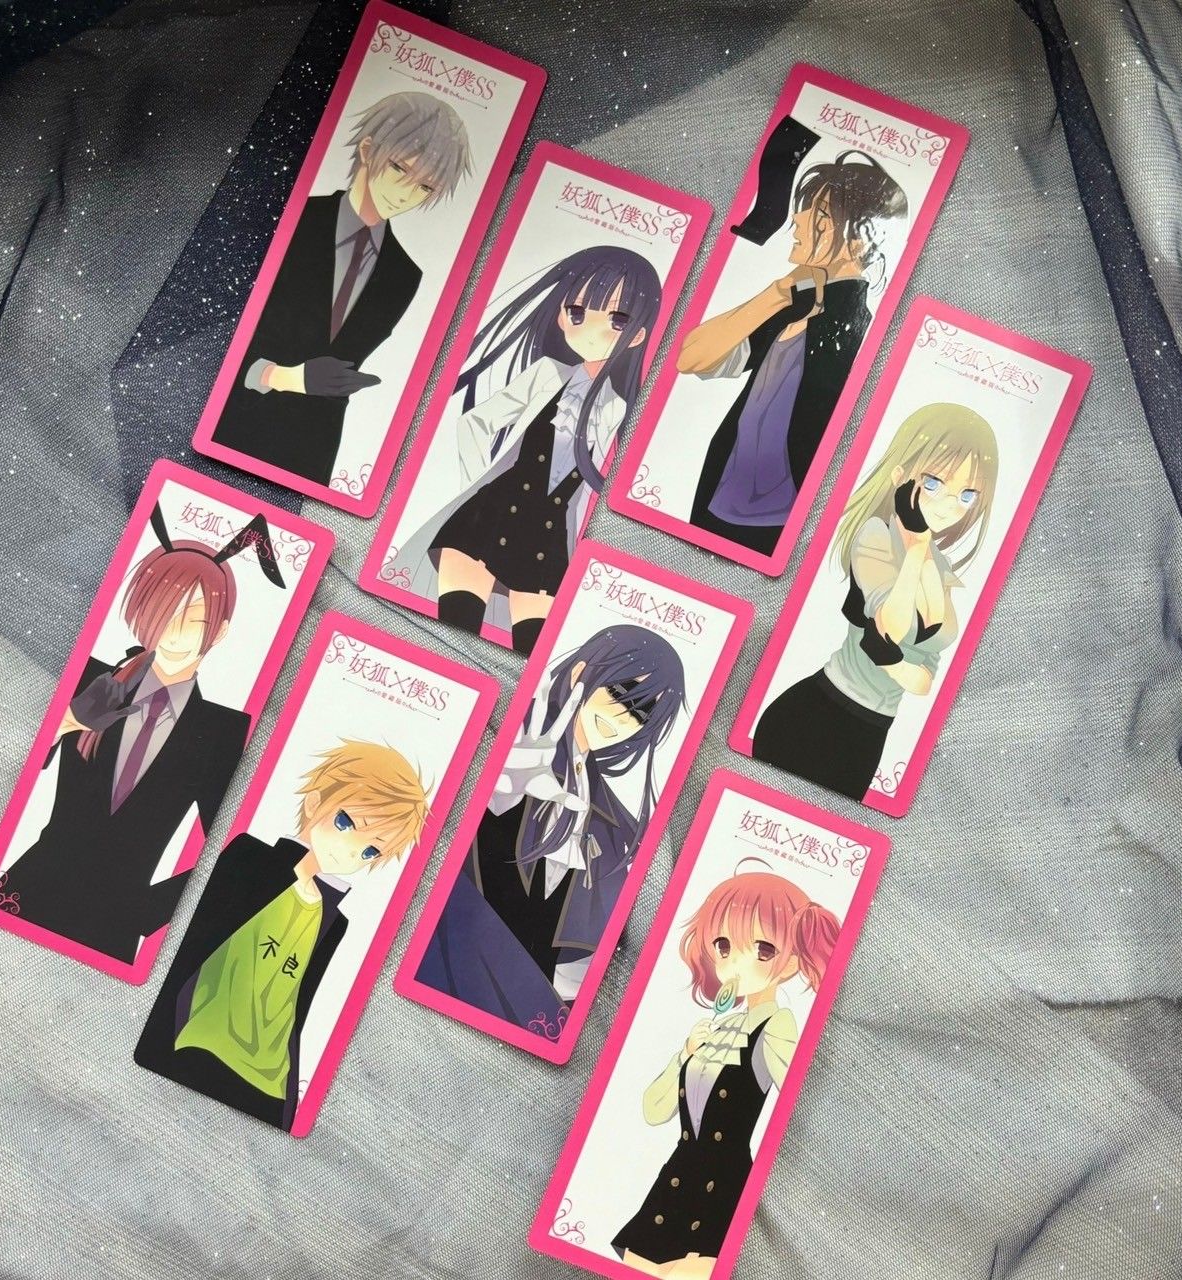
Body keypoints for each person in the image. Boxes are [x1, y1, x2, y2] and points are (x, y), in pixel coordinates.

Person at [0, 507, 282, 962]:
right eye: (164, 614)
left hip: (112, 929)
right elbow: (17, 754)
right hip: (27, 889)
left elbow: (232, 851)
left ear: (220, 630)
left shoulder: (222, 731)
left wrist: (149, 911)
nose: (173, 634)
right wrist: (67, 723)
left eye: (192, 618)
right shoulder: (94, 678)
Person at [135, 740, 429, 1130]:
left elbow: (298, 1008)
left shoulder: (335, 922)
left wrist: (290, 1102)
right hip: (197, 1042)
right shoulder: (249, 858)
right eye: (345, 823)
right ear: (315, 802)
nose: (349, 852)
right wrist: (162, 1036)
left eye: (370, 851)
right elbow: (194, 948)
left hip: (269, 1084)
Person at [385, 246, 661, 654]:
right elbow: (474, 422)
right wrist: (476, 487)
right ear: (562, 316)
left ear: (637, 335)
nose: (590, 329)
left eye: (616, 320)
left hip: (548, 538)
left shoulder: (618, 409)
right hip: (489, 516)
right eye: (578, 312)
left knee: (528, 645)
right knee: (451, 631)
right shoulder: (547, 373)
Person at [415, 625, 685, 1035]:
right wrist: (501, 793)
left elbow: (581, 953)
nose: (621, 719)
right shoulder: (515, 743)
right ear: (580, 673)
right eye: (618, 694)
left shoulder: (617, 829)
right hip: (449, 955)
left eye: (639, 713)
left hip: (528, 1006)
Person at [210, 91, 472, 485]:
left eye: (424, 188)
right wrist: (283, 377)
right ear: (368, 150)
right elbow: (222, 326)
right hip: (229, 422)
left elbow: (344, 368)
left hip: (310, 454)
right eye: (398, 168)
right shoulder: (295, 217)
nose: (405, 193)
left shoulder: (404, 276)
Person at [752, 403, 999, 798]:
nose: (949, 505)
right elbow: (891, 625)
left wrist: (895, 663)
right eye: (933, 484)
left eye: (967, 495)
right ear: (900, 477)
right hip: (816, 714)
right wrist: (915, 550)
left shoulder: (942, 567)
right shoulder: (875, 535)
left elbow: (925, 676)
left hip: (871, 733)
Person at [680, 146, 907, 555]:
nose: (798, 221)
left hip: (780, 517)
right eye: (805, 210)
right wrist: (777, 293)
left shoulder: (858, 328)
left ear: (860, 241)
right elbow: (691, 357)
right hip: (722, 495)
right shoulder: (796, 303)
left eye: (820, 216)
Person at [613, 870, 840, 1278]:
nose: (734, 961)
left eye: (763, 949)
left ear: (790, 962)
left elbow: (801, 1097)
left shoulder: (777, 1024)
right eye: (723, 945)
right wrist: (684, 1054)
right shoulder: (715, 1030)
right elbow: (653, 1110)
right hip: (674, 1185)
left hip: (720, 1190)